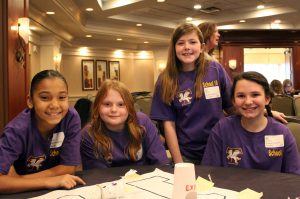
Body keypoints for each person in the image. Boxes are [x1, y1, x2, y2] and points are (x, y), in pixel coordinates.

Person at [150, 23, 235, 164]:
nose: (187, 47)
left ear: (201, 47)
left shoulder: (215, 69)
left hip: (220, 148)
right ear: (174, 48)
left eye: (192, 42)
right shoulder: (165, 79)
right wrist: (179, 164)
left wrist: (265, 112)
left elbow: (232, 107)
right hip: (187, 154)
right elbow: (168, 125)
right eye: (181, 43)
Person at [0, 70, 85, 193]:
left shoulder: (71, 118)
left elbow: (68, 168)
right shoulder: (16, 130)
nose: (55, 105)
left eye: (62, 97)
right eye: (45, 98)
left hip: (52, 190)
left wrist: (17, 179)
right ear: (30, 101)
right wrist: (48, 181)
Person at [202, 71, 300, 175]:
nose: (248, 102)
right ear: (233, 101)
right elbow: (209, 173)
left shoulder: (282, 133)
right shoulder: (222, 129)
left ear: (267, 99)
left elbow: (294, 179)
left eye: (255, 95)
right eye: (241, 96)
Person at [80, 79, 169, 169]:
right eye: (107, 104)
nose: (114, 110)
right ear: (97, 107)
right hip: (109, 181)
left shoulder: (142, 122)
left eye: (121, 104)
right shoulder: (89, 134)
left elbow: (161, 162)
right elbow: (98, 175)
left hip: (146, 179)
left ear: (129, 107)